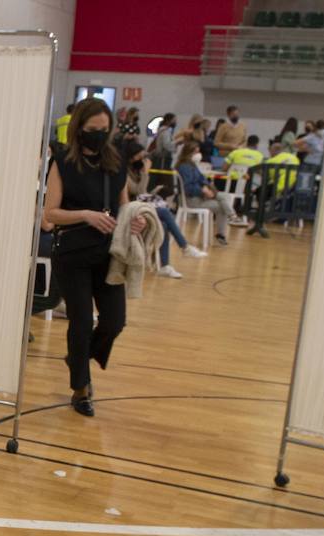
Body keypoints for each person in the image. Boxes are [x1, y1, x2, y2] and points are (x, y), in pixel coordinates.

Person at [44, 98, 147, 417]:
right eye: (92, 130)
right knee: (80, 321)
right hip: (73, 253)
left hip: (108, 254)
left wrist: (137, 221)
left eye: (104, 130)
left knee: (115, 321)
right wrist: (86, 215)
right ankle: (81, 388)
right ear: (79, 129)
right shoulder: (62, 162)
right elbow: (50, 215)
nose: (99, 135)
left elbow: (125, 207)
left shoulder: (115, 163)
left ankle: (78, 358)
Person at [123, 140, 205, 278]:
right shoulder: (123, 173)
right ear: (131, 157)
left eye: (144, 157)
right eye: (140, 156)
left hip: (138, 207)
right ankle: (185, 247)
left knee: (164, 225)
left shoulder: (134, 170)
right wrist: (145, 172)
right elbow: (139, 191)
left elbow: (141, 193)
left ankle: (164, 266)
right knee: (164, 212)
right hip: (129, 209)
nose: (143, 160)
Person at [175, 141, 231, 247]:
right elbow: (188, 187)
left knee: (225, 198)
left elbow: (202, 178)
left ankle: (228, 221)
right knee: (222, 206)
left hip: (199, 197)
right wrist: (202, 190)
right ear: (188, 152)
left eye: (198, 151)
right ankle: (228, 221)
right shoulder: (184, 167)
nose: (198, 154)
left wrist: (207, 186)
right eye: (195, 152)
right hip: (192, 200)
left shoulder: (192, 165)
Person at [223, 135, 264, 226]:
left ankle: (228, 212)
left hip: (231, 185)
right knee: (252, 188)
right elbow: (261, 172)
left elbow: (224, 167)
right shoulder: (259, 156)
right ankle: (245, 214)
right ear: (257, 144)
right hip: (246, 187)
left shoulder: (236, 152)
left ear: (247, 142)